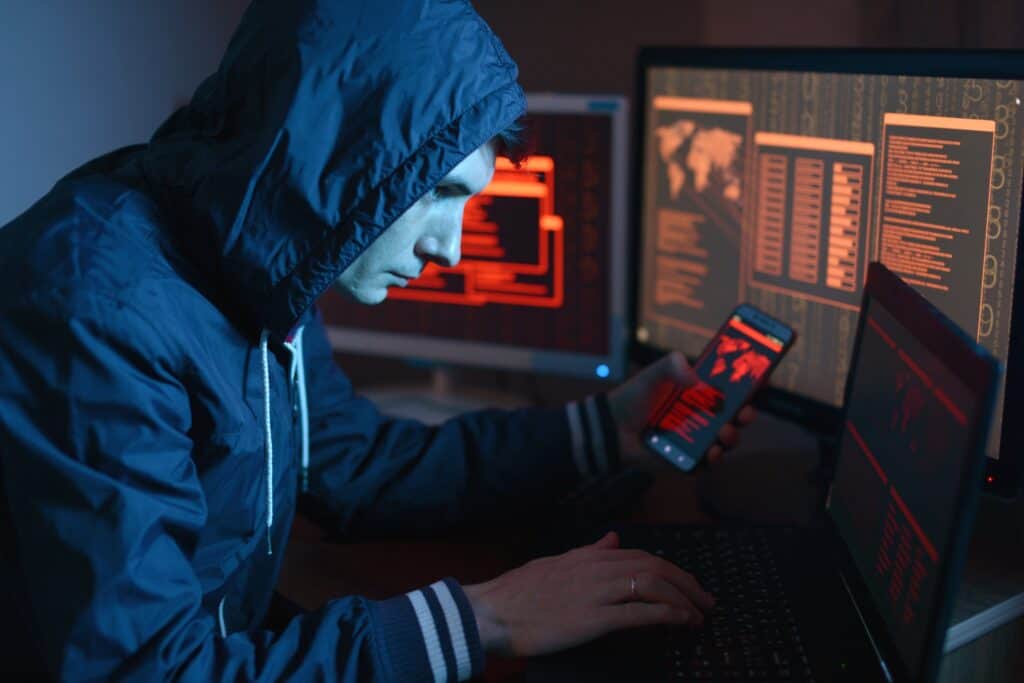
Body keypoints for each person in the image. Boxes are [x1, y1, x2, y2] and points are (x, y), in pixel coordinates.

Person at [0, 1, 753, 680]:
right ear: (337, 157)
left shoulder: (253, 260)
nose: (451, 249)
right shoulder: (95, 313)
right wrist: (488, 616)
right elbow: (145, 672)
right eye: (440, 193)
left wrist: (605, 429)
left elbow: (352, 462)